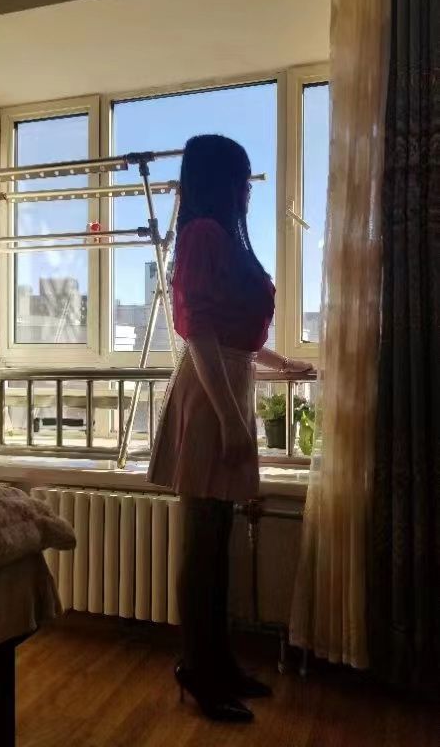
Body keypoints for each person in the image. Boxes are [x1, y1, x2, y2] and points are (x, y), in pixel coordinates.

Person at [147, 135, 312, 722]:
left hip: (224, 385)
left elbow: (234, 334)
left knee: (217, 541)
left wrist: (282, 364)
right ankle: (198, 668)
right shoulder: (203, 235)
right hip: (210, 394)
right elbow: (199, 331)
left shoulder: (218, 235)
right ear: (221, 181)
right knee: (203, 543)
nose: (248, 189)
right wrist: (229, 419)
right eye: (242, 178)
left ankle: (216, 663)